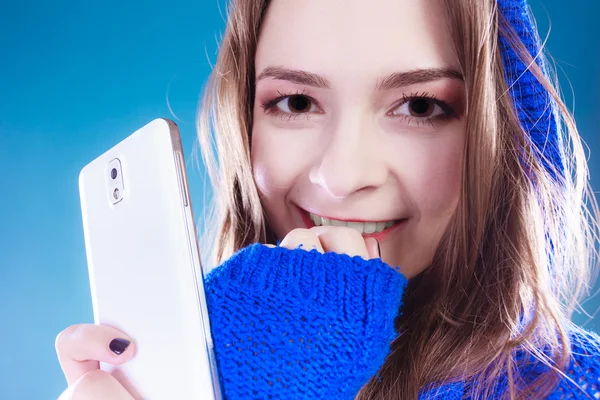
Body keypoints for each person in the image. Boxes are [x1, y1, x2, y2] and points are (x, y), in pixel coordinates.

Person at [55, 0, 600, 398]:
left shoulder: (573, 388)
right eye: (296, 101)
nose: (341, 178)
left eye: (419, 107)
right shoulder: (210, 360)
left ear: (504, 138)